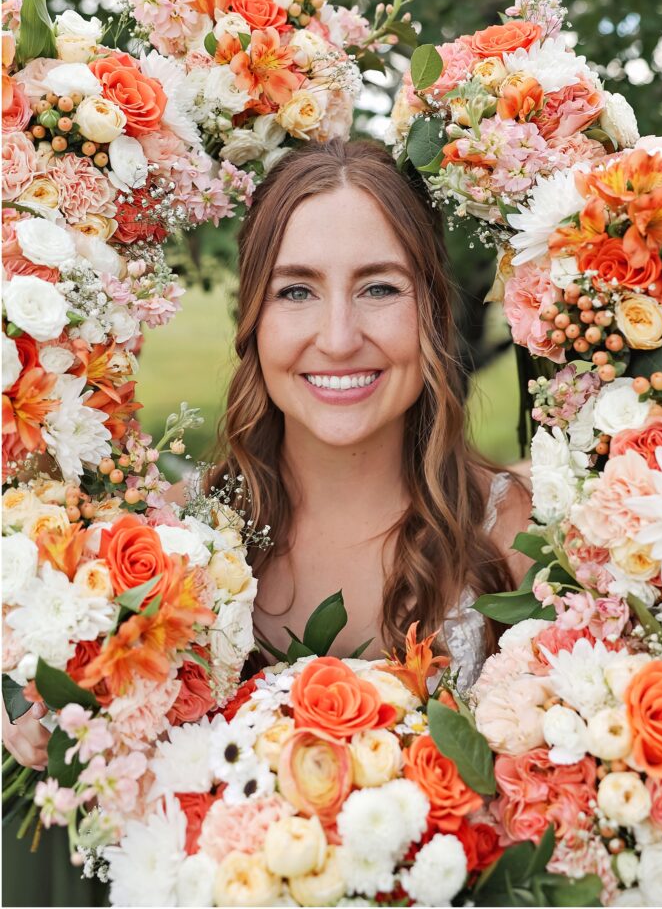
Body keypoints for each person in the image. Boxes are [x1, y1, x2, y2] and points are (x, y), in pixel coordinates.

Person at [3, 139, 531, 769]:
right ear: (251, 320)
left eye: (380, 288)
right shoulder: (161, 543)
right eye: (296, 292)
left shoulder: (515, 531)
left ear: (433, 311)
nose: (338, 339)